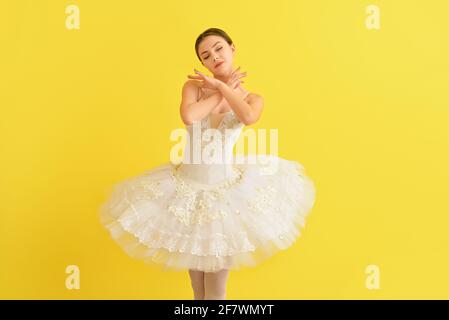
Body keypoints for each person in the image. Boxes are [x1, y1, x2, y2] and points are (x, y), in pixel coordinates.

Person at [99, 27, 316, 300]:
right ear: (202, 63)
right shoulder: (193, 87)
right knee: (198, 288)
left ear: (232, 48)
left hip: (224, 195)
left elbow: (248, 117)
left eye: (218, 48)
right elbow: (190, 117)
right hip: (185, 191)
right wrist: (219, 91)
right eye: (206, 55)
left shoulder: (252, 98)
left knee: (215, 290)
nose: (214, 56)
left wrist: (225, 88)